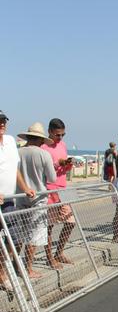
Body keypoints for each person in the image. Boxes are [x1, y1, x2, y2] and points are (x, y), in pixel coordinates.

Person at [0, 111, 35, 289]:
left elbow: (14, 169)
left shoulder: (10, 141)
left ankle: (2, 271)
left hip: (8, 200)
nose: (2, 124)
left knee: (13, 238)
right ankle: (2, 274)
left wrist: (25, 188)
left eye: (4, 121)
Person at [16, 122, 57, 278]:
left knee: (19, 233)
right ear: (41, 140)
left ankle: (15, 264)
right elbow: (52, 178)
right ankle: (28, 268)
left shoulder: (18, 152)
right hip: (38, 198)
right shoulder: (44, 154)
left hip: (19, 197)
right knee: (33, 235)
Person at [41, 118, 75, 268]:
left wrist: (68, 165)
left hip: (63, 187)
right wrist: (57, 164)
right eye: (57, 135)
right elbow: (43, 170)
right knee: (49, 226)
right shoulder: (43, 147)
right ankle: (49, 257)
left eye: (63, 134)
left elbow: (64, 170)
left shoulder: (63, 145)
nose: (60, 138)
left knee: (71, 222)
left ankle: (59, 252)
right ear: (49, 132)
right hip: (49, 188)